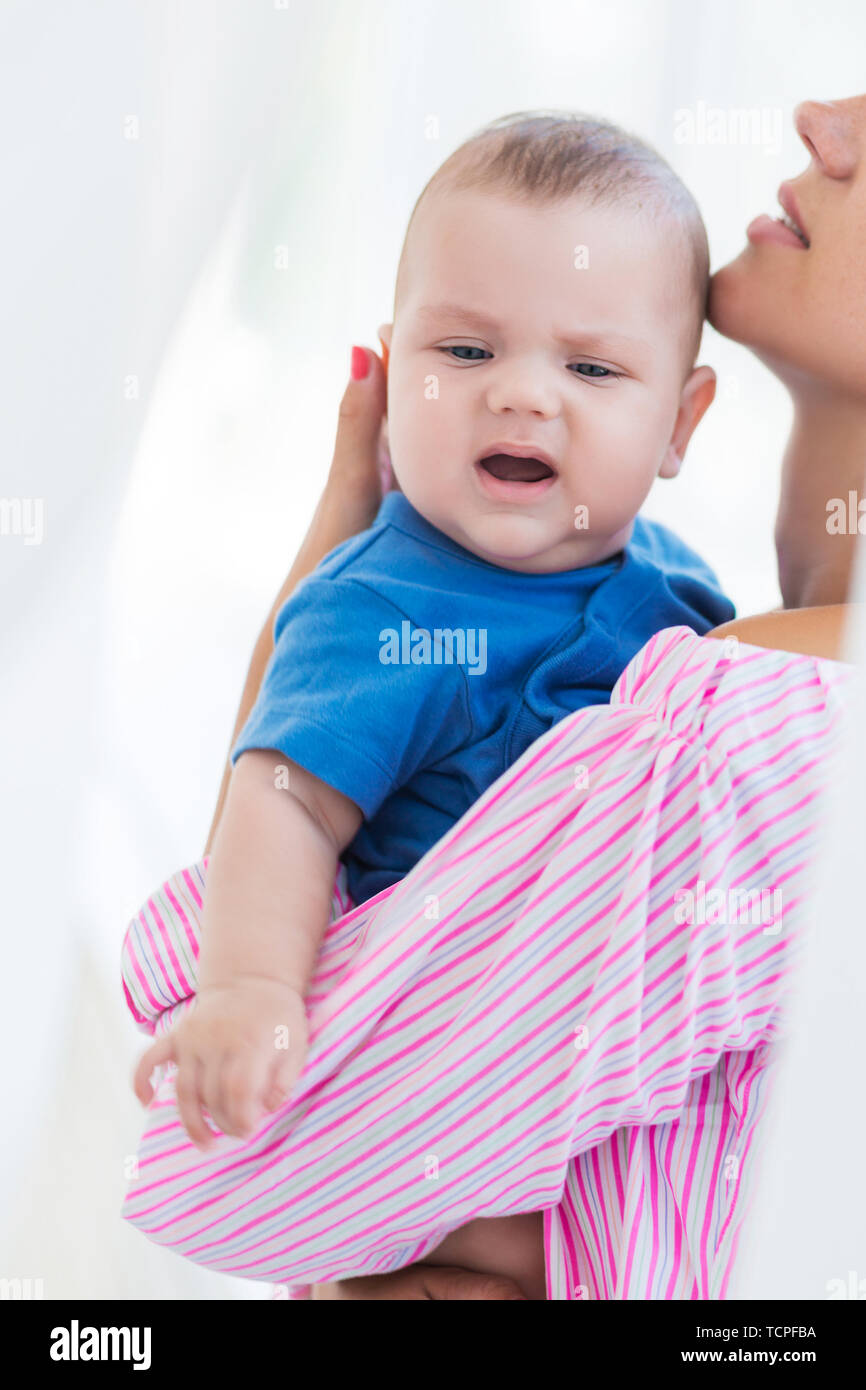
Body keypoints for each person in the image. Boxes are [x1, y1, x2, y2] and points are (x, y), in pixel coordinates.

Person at [122, 96, 866, 1300]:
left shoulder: (700, 631)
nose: (522, 395)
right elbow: (284, 802)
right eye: (462, 353)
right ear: (396, 357)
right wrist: (252, 987)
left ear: (678, 425)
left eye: (588, 366)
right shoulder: (392, 605)